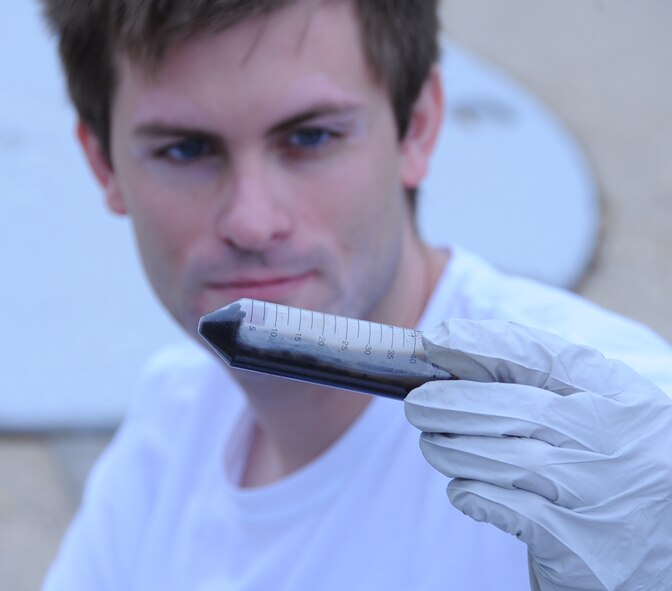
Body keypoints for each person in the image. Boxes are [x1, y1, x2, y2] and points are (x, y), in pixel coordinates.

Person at [40, 0, 672, 589]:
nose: (252, 221)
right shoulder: (169, 425)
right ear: (104, 163)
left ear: (417, 127)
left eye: (310, 137)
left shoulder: (613, 446)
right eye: (185, 149)